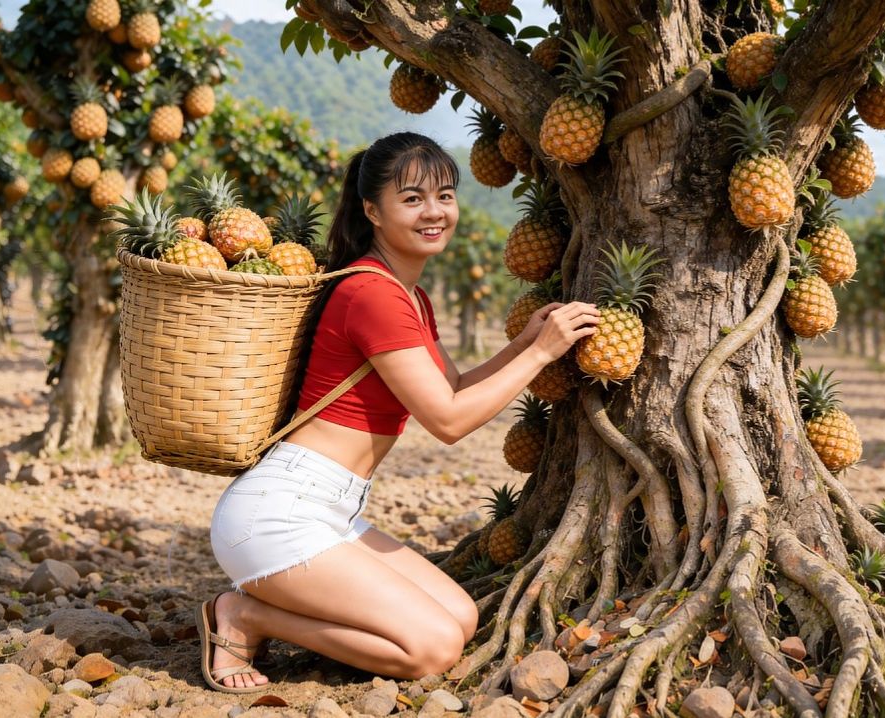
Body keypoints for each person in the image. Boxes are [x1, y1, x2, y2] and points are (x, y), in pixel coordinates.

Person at [196, 132, 600, 693]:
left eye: (445, 195)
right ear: (372, 210)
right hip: (277, 516)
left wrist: (518, 346)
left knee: (460, 618)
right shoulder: (372, 294)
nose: (435, 212)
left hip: (332, 509)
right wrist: (540, 352)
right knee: (431, 648)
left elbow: (452, 384)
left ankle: (259, 610)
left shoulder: (407, 294)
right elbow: (449, 420)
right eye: (412, 199)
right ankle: (245, 616)